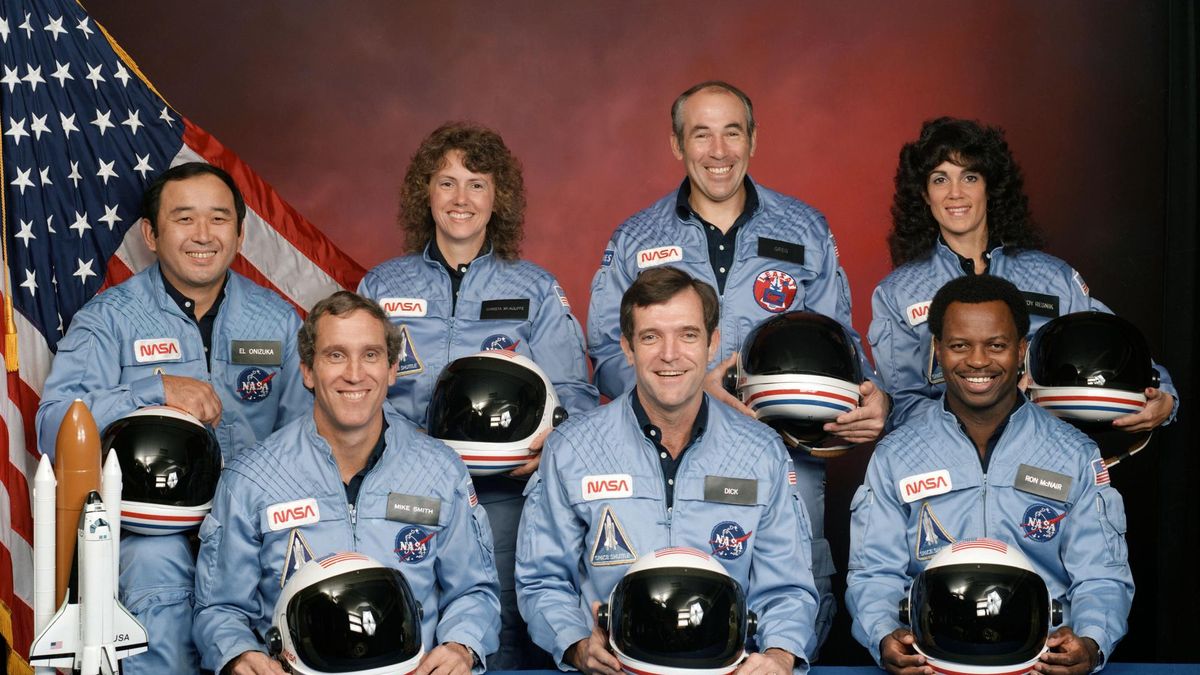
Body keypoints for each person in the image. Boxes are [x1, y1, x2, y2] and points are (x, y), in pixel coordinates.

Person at [586, 80, 886, 644]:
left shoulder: (806, 230)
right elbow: (606, 353)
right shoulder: (635, 237)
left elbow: (844, 349)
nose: (719, 151)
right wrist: (692, 387)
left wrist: (872, 400)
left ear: (754, 139)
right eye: (702, 134)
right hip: (666, 457)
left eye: (732, 132)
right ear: (678, 145)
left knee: (786, 618)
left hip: (787, 456)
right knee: (677, 619)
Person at [34, 162, 311, 675]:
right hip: (150, 534)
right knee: (154, 569)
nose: (203, 235)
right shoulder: (109, 319)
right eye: (184, 219)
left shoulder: (275, 319)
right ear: (151, 234)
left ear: (240, 232)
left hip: (253, 530)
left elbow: (308, 439)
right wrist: (153, 389)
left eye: (218, 219)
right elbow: (55, 424)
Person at [357, 121, 597, 668]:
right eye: (446, 183)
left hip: (504, 500)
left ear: (499, 198)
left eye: (477, 184)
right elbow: (351, 387)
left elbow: (575, 397)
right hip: (402, 494)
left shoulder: (535, 288)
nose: (460, 199)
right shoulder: (381, 287)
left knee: (504, 633)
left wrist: (544, 452)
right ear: (425, 192)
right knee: (402, 632)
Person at [518, 267, 820, 674]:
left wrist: (780, 656)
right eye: (651, 336)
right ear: (627, 348)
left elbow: (787, 588)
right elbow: (542, 579)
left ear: (713, 343)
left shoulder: (761, 452)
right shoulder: (571, 449)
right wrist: (574, 643)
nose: (670, 354)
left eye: (688, 335)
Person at [192, 291, 500, 675]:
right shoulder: (252, 478)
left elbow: (474, 591)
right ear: (307, 370)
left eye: (370, 355)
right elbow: (219, 608)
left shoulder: (440, 471)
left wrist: (461, 645)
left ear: (391, 368)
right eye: (335, 355)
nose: (354, 373)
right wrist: (238, 653)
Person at [846, 275, 1133, 675]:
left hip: (1039, 663)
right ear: (937, 350)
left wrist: (1090, 641)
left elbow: (1102, 574)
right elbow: (874, 573)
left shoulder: (1072, 453)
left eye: (996, 345)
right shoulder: (897, 455)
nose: (978, 361)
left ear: (1021, 351)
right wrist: (882, 636)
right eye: (959, 345)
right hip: (934, 661)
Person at [870, 116, 1178, 429]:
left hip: (1043, 455)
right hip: (946, 463)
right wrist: (982, 412)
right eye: (940, 179)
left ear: (990, 186)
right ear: (924, 195)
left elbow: (1112, 348)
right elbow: (901, 404)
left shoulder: (1051, 278)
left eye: (970, 177)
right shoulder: (898, 292)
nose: (955, 193)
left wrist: (1163, 395)